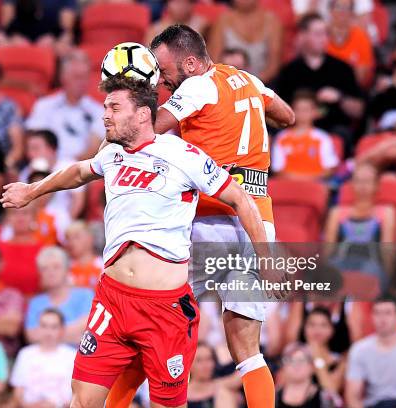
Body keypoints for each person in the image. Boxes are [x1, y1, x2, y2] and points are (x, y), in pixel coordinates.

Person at [1, 74, 274, 408]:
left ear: (143, 114)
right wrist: (31, 190)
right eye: (105, 107)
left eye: (114, 107)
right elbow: (77, 173)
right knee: (83, 400)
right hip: (112, 300)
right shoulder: (111, 154)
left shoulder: (184, 155)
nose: (105, 115)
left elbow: (240, 200)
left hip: (165, 309)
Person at [104, 24, 292, 408]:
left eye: (162, 68)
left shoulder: (196, 86)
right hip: (259, 220)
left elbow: (148, 129)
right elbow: (286, 115)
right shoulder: (245, 78)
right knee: (247, 348)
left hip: (211, 220)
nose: (159, 78)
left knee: (152, 324)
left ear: (190, 63)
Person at [275, 13, 364, 149]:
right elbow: (278, 112)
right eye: (317, 34)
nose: (323, 39)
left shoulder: (342, 69)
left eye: (326, 34)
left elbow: (359, 110)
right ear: (303, 36)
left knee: (342, 135)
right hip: (296, 130)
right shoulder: (289, 71)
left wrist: (339, 97)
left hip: (333, 130)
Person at [324, 163, 396, 289]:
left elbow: (387, 249)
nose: (362, 186)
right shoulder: (337, 213)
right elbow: (328, 249)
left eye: (367, 181)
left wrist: (388, 279)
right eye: (358, 181)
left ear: (377, 185)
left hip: (372, 266)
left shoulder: (386, 213)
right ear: (352, 184)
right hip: (342, 263)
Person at [24, 50, 105, 162]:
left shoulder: (99, 111)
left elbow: (93, 150)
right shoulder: (44, 106)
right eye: (77, 77)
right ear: (63, 77)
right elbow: (34, 141)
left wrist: (67, 169)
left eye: (85, 77)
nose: (82, 82)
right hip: (45, 165)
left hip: (78, 169)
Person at [24, 246, 93, 344]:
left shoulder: (86, 296)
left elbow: (90, 332)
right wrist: (75, 335)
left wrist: (47, 335)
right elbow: (32, 336)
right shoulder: (36, 303)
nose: (50, 272)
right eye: (44, 268)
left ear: (67, 269)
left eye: (56, 267)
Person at [10, 308, 75, 407]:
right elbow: (17, 394)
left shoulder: (73, 356)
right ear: (38, 328)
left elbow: (78, 394)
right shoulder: (25, 354)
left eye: (54, 327)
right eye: (44, 326)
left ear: (62, 330)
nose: (48, 332)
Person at [18, 129, 86, 222]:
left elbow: (78, 200)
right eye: (29, 149)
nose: (30, 154)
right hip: (36, 223)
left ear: (52, 149)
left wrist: (65, 227)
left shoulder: (70, 166)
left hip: (63, 220)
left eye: (35, 148)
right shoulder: (26, 172)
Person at [208, 0, 283, 83]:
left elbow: (274, 64)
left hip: (263, 84)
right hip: (229, 83)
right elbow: (214, 60)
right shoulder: (223, 20)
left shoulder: (272, 21)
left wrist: (254, 85)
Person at [272, 90, 340, 179]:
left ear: (315, 112)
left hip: (314, 187)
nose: (302, 113)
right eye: (298, 109)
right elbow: (277, 169)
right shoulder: (282, 138)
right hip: (288, 186)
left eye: (306, 110)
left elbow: (329, 169)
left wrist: (307, 181)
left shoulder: (322, 138)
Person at [0, 202, 46, 295]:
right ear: (7, 218)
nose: (20, 218)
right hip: (3, 303)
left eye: (25, 213)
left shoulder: (43, 250)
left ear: (34, 217)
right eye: (14, 213)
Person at [0, 0, 77, 55]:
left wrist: (56, 43)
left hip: (50, 43)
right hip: (18, 42)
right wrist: (8, 44)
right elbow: (2, 31)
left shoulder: (51, 19)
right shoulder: (14, 20)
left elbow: (66, 32)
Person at [326, 0, 375, 88]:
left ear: (352, 13)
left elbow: (361, 75)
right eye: (338, 7)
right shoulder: (322, 34)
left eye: (347, 8)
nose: (342, 11)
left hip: (351, 90)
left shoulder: (361, 37)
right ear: (330, 10)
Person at [276, 342, 341, 408]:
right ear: (283, 366)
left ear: (312, 366)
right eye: (290, 360)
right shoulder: (273, 396)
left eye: (301, 360)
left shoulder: (326, 398)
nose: (296, 365)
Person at [301, 307, 346, 394]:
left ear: (332, 330)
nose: (317, 330)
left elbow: (331, 391)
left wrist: (317, 356)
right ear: (304, 329)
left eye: (323, 325)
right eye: (312, 325)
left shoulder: (340, 362)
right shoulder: (293, 355)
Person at [187, 342, 242, 408]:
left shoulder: (221, 386)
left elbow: (239, 375)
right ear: (188, 364)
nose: (205, 365)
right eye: (199, 360)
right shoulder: (181, 395)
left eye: (209, 359)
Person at [65, 220, 103, 289]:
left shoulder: (103, 266)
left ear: (90, 239)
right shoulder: (65, 269)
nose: (71, 242)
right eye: (68, 238)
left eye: (76, 237)